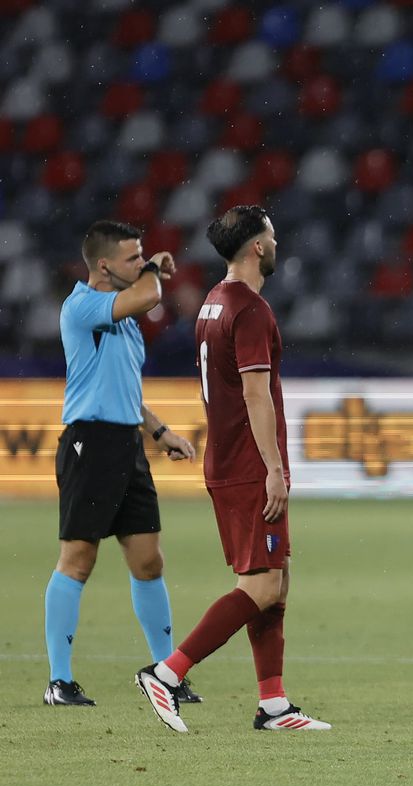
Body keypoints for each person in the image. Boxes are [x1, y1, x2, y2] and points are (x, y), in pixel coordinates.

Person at [134, 206, 330, 733]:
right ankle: (169, 673)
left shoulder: (212, 304)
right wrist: (273, 469)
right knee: (262, 587)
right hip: (248, 464)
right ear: (257, 248)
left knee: (275, 582)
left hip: (229, 457)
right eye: (272, 232)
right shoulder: (250, 310)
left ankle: (273, 705)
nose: (277, 239)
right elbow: (254, 393)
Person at [46, 221, 201, 707]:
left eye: (142, 257)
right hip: (88, 444)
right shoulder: (84, 305)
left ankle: (165, 672)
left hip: (125, 446)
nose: (141, 263)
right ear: (105, 265)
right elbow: (151, 293)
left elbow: (124, 390)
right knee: (78, 560)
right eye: (133, 257)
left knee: (148, 560)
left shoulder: (125, 319)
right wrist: (154, 269)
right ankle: (60, 681)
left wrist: (159, 433)